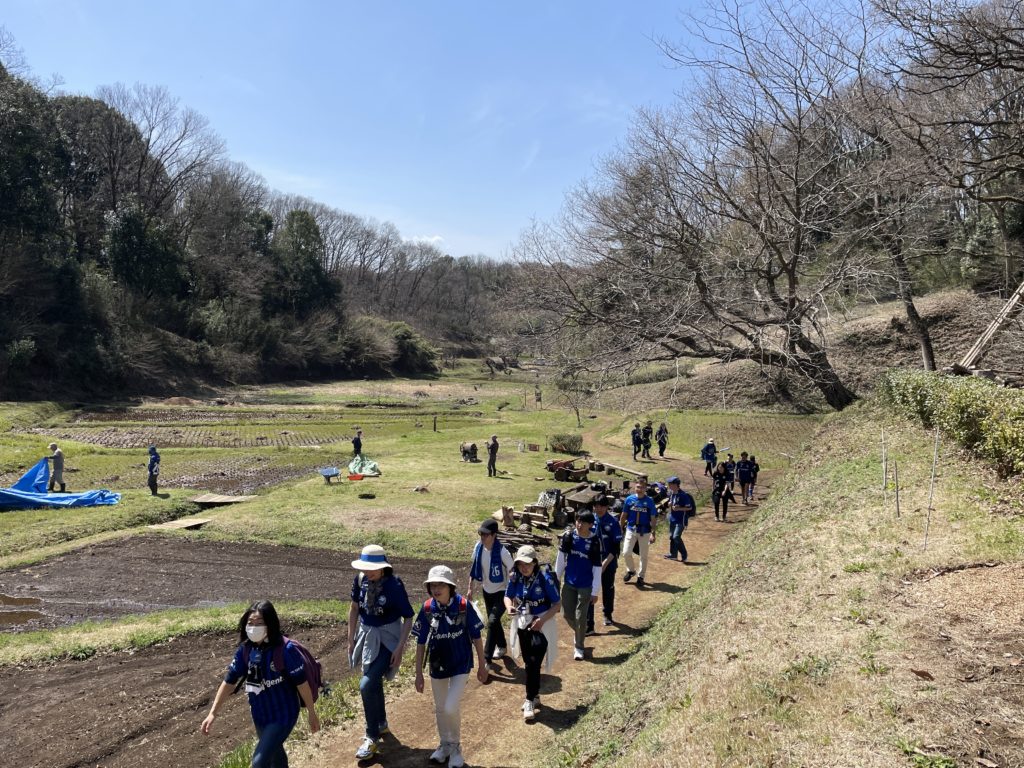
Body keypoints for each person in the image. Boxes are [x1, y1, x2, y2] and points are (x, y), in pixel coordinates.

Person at [201, 600, 320, 768]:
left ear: (270, 624)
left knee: (259, 762)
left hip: (284, 714)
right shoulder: (245, 650)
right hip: (259, 714)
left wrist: (311, 713)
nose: (254, 627)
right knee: (276, 757)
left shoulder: (286, 650)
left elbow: (302, 683)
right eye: (250, 623)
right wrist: (212, 713)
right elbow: (229, 681)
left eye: (259, 623)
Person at [413, 565, 488, 768]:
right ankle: (444, 744)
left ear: (450, 587)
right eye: (433, 585)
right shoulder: (427, 608)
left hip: (461, 663)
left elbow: (476, 637)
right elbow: (420, 642)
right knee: (440, 708)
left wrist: (482, 665)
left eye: (441, 585)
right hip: (438, 664)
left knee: (450, 706)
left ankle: (455, 747)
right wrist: (418, 673)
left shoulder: (463, 606)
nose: (436, 589)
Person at [348, 545, 414, 760]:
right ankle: (382, 722)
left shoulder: (394, 585)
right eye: (365, 568)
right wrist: (350, 638)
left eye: (372, 568)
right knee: (373, 681)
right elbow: (354, 609)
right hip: (368, 637)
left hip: (388, 640)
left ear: (383, 567)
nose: (367, 572)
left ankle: (371, 736)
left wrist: (400, 648)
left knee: (366, 684)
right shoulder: (361, 580)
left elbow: (408, 617)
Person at [504, 545, 561, 721]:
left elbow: (557, 605)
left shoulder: (544, 579)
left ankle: (529, 700)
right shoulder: (515, 577)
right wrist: (509, 607)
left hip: (542, 625)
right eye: (520, 564)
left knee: (534, 663)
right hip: (523, 623)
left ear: (535, 563)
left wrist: (542, 620)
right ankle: (535, 695)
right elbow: (507, 596)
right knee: (529, 662)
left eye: (527, 563)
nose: (524, 567)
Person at [555, 510, 602, 660]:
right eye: (578, 521)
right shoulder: (569, 537)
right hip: (569, 582)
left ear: (591, 525)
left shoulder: (594, 541)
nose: (579, 525)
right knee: (567, 614)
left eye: (583, 522)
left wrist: (595, 591)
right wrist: (556, 579)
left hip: (585, 585)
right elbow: (561, 558)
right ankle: (580, 632)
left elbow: (597, 567)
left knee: (581, 617)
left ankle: (579, 647)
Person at [466, 518, 514, 666]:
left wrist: (513, 592)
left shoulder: (503, 552)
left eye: (486, 534)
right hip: (487, 591)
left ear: (494, 535)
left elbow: (512, 570)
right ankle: (502, 646)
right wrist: (470, 588)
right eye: (481, 534)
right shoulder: (478, 547)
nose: (482, 537)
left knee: (492, 621)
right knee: (495, 622)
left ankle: (486, 658)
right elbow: (474, 568)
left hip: (502, 592)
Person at [587, 496, 622, 631]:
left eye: (601, 506)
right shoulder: (590, 520)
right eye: (596, 506)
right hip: (591, 563)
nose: (598, 509)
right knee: (589, 590)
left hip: (608, 562)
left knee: (607, 588)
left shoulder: (613, 522)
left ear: (607, 507)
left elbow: (616, 547)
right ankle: (589, 623)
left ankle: (607, 614)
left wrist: (605, 563)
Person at [619, 477, 659, 587]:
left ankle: (641, 576)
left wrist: (653, 533)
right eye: (638, 487)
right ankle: (631, 570)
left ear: (645, 488)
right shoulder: (629, 499)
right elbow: (624, 515)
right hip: (631, 529)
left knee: (643, 555)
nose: (639, 489)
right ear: (634, 487)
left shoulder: (649, 501)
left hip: (645, 531)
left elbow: (653, 518)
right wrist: (620, 527)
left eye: (642, 487)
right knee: (626, 552)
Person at [664, 477, 695, 562]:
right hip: (672, 519)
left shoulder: (683, 495)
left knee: (676, 537)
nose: (669, 485)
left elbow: (689, 508)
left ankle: (684, 555)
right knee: (672, 537)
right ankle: (673, 555)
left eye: (670, 484)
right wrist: (670, 504)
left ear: (676, 485)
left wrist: (679, 508)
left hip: (681, 520)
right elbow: (672, 504)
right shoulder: (672, 493)